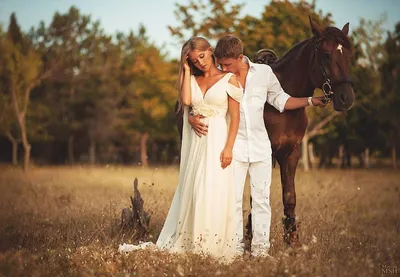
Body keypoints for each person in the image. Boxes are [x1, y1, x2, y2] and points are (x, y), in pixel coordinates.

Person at [188, 35, 327, 258]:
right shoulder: (222, 77)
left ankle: (261, 251)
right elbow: (203, 100)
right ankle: (234, 248)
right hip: (233, 148)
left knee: (262, 200)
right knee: (232, 201)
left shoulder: (263, 74)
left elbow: (281, 100)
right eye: (221, 64)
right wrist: (191, 117)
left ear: (240, 58)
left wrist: (311, 101)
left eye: (227, 64)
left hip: (261, 148)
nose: (223, 68)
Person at [119, 37, 243, 262]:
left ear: (211, 51)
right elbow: (187, 100)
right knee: (194, 187)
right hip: (197, 144)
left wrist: (229, 148)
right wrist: (186, 70)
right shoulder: (192, 79)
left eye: (203, 56)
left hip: (217, 141)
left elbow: (235, 118)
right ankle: (192, 238)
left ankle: (211, 241)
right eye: (194, 60)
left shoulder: (229, 79)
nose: (200, 63)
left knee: (213, 187)